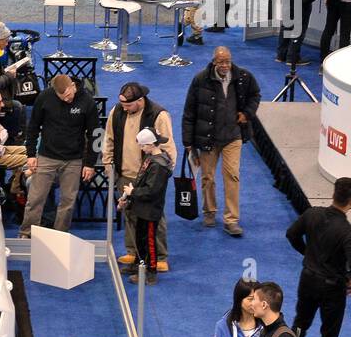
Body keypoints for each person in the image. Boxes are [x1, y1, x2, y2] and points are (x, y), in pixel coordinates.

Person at [287, 176, 351, 337]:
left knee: (299, 325)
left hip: (308, 279)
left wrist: (307, 252)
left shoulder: (312, 214)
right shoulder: (348, 232)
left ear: (333, 194)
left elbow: (291, 234)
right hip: (332, 289)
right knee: (329, 334)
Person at [181, 46, 260, 237]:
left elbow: (255, 95)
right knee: (207, 177)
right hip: (209, 138)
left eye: (228, 61)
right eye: (221, 61)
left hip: (233, 137)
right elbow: (189, 111)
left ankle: (231, 220)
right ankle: (209, 212)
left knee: (232, 176)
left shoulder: (243, 77)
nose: (225, 65)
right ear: (214, 61)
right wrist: (188, 142)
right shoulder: (200, 79)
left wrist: (247, 113)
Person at [104, 82, 177, 272]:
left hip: (150, 177)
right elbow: (109, 139)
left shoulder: (158, 115)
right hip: (125, 173)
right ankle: (134, 252)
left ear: (140, 100)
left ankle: (160, 256)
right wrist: (107, 162)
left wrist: (164, 172)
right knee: (130, 215)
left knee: (154, 217)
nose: (124, 108)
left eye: (128, 105)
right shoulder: (117, 112)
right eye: (122, 105)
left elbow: (168, 147)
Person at [18, 74, 98, 238]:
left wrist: (90, 163)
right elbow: (33, 126)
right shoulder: (45, 97)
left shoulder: (87, 101)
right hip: (47, 155)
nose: (67, 100)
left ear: (73, 86)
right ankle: (26, 233)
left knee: (68, 201)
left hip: (74, 159)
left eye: (68, 96)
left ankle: (60, 235)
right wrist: (31, 154)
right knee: (35, 199)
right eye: (62, 98)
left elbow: (96, 134)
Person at [116, 127, 172, 285]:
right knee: (140, 240)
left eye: (142, 145)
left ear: (151, 144)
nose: (141, 148)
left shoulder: (159, 165)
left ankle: (151, 272)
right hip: (142, 207)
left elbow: (151, 190)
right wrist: (127, 196)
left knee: (149, 242)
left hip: (150, 209)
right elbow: (141, 180)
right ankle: (139, 265)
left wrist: (132, 192)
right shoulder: (151, 159)